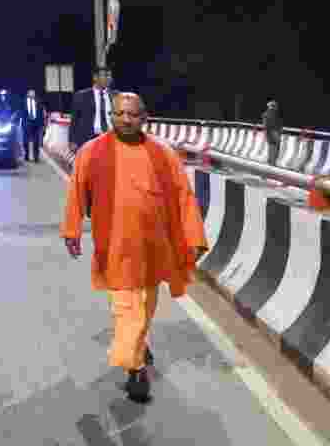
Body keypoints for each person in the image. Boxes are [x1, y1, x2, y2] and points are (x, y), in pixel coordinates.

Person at [61, 93, 208, 403]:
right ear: (111, 116)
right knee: (127, 307)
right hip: (114, 245)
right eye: (118, 113)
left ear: (144, 118)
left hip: (155, 247)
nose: (125, 119)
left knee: (146, 306)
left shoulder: (163, 154)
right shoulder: (92, 151)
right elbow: (76, 192)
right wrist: (72, 230)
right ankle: (136, 368)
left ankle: (139, 346)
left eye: (131, 114)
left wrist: (194, 237)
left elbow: (184, 197)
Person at [70, 68, 114, 152]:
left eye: (110, 76)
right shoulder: (81, 96)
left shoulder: (115, 95)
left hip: (110, 138)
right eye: (105, 75)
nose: (109, 78)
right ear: (95, 77)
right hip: (89, 139)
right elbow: (74, 120)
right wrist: (72, 140)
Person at [23, 90, 46, 163]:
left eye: (33, 93)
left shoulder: (38, 101)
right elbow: (21, 112)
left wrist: (42, 123)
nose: (32, 94)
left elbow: (41, 112)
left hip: (36, 123)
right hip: (27, 123)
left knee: (36, 141)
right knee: (25, 141)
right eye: (31, 93)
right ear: (27, 94)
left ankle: (36, 157)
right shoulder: (23, 101)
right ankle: (26, 155)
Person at [263, 101, 282, 165]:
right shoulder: (275, 114)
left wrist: (266, 133)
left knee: (271, 146)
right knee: (275, 147)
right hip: (274, 132)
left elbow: (265, 125)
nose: (276, 107)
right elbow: (278, 124)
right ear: (273, 106)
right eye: (275, 106)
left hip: (269, 132)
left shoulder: (265, 114)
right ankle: (272, 161)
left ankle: (270, 160)